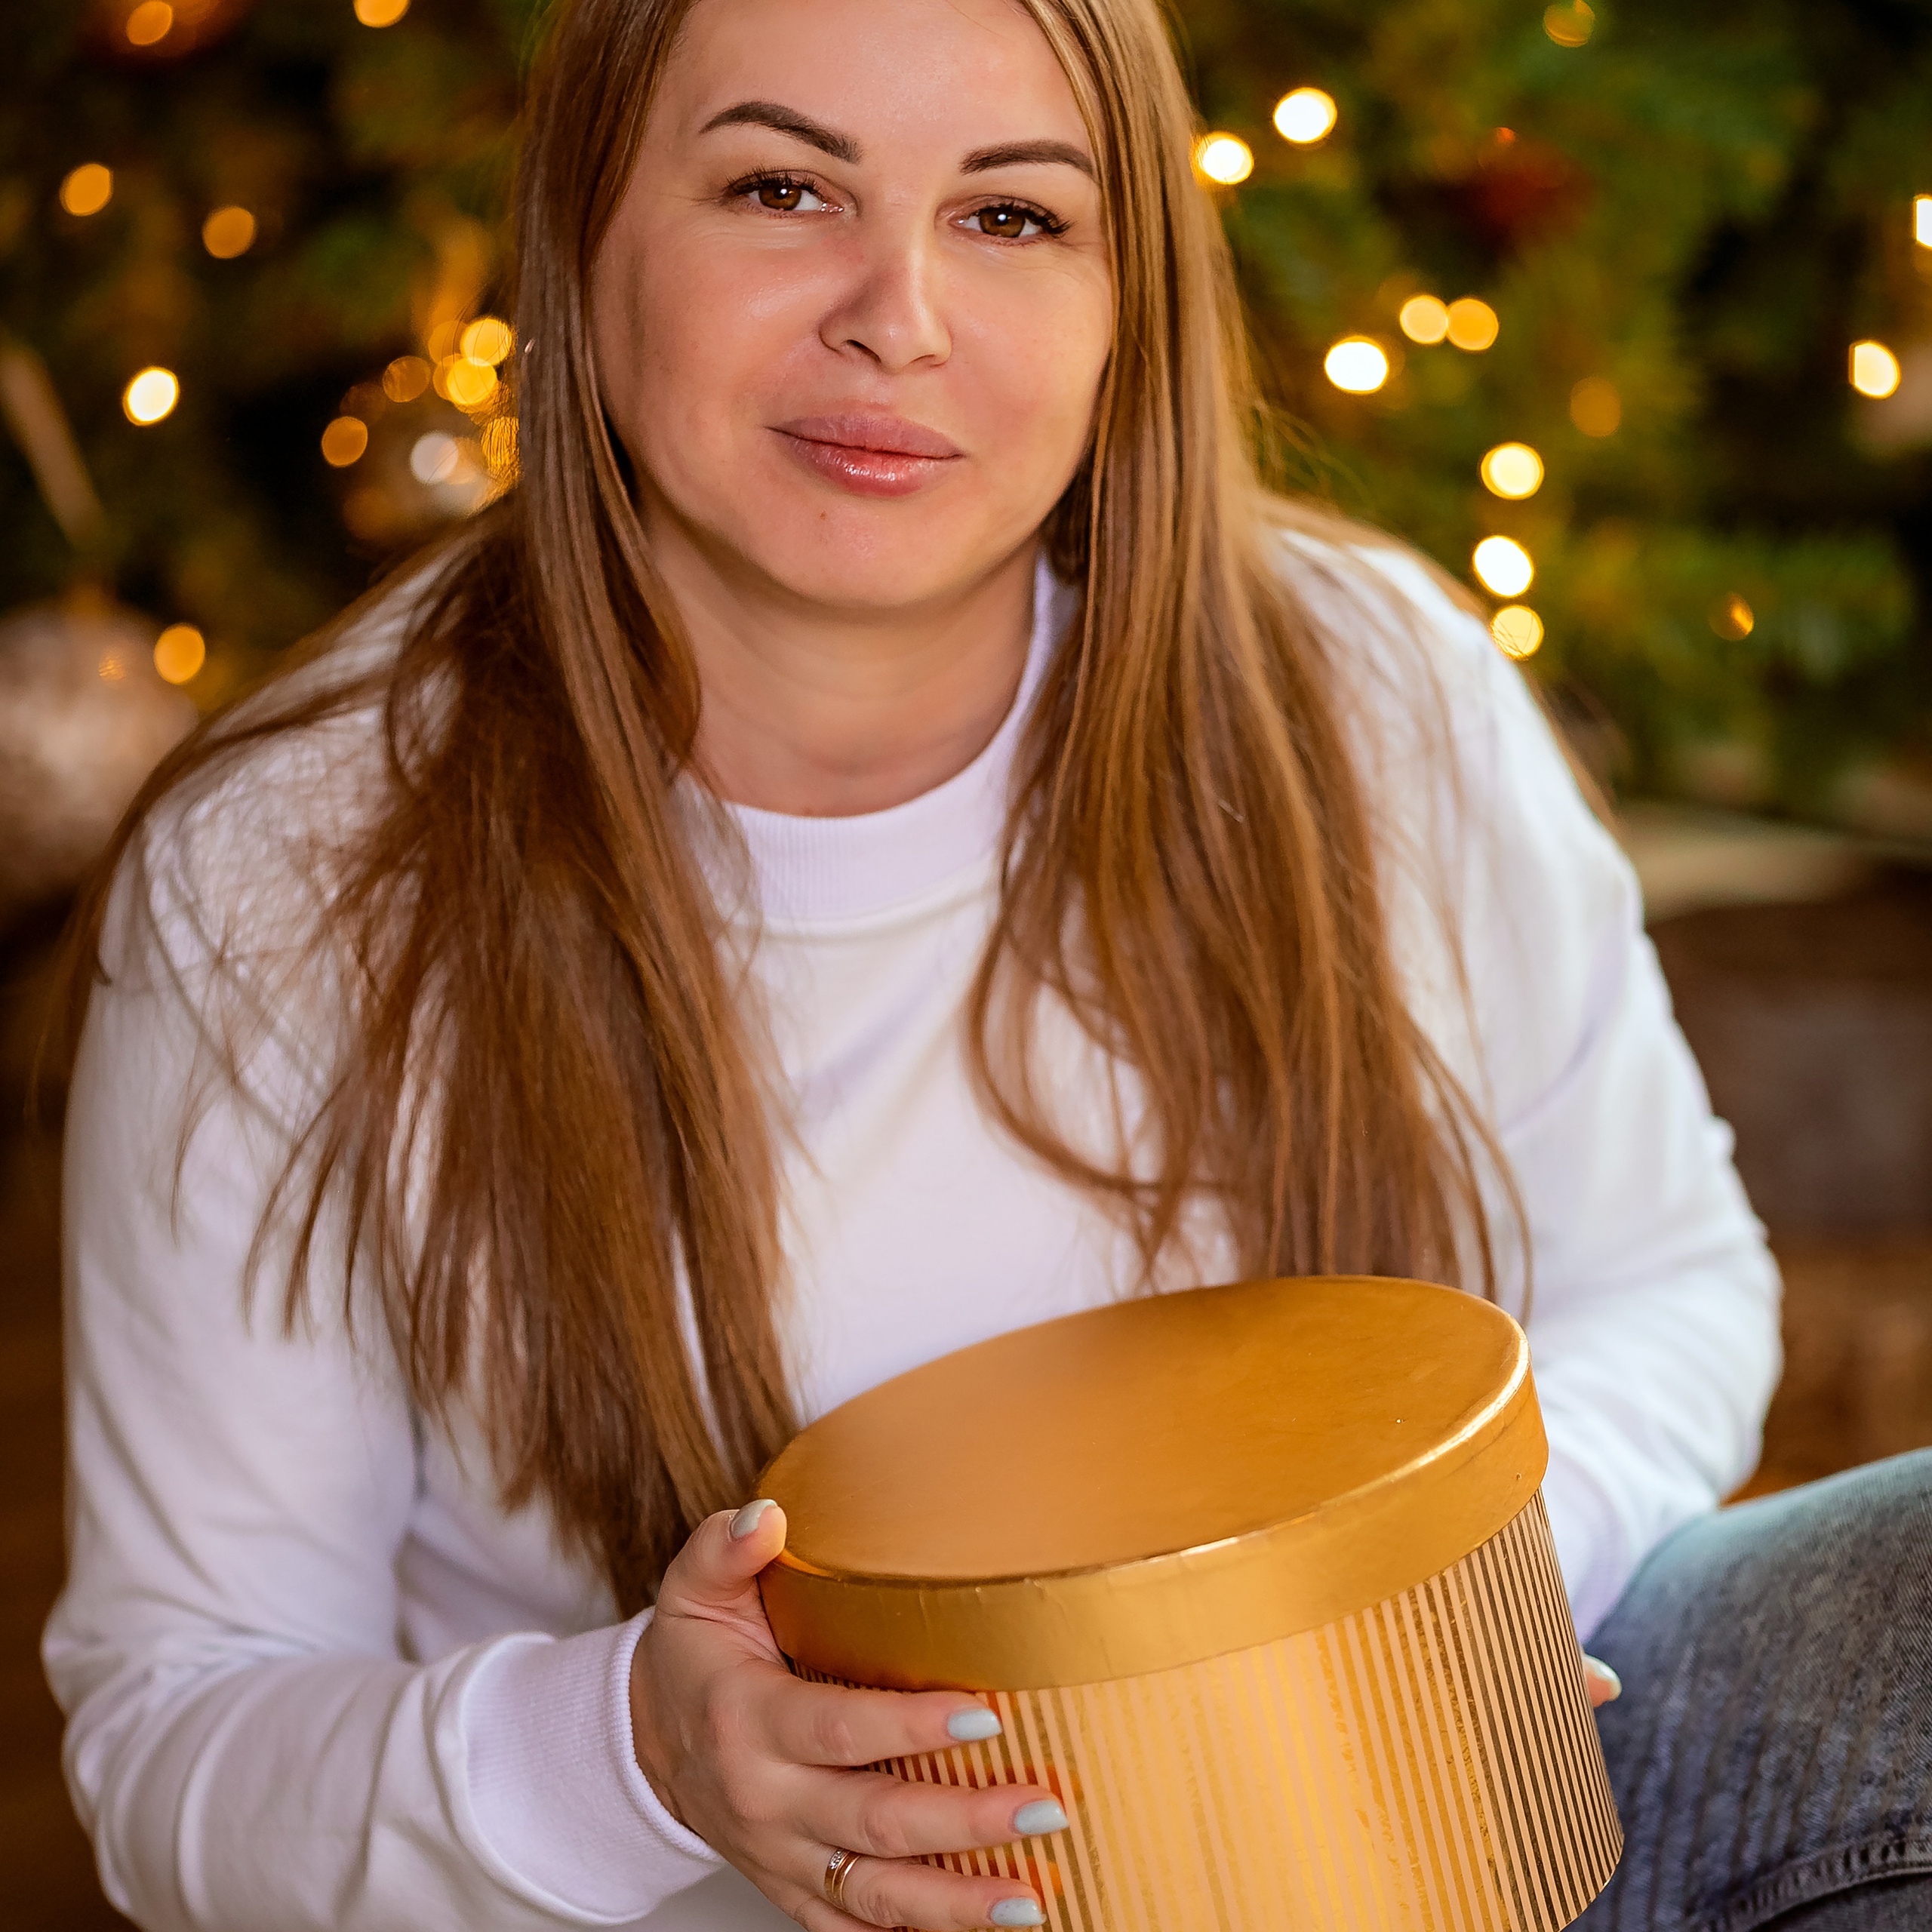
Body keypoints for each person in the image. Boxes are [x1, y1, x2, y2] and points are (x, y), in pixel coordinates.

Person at [44, 0, 1930, 1927]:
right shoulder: (289, 872)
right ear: (581, 236)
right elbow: (176, 1734)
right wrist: (639, 1750)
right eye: (780, 187)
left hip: (1423, 1841)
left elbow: (1660, 1280)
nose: (900, 316)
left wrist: (1458, 1589)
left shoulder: (1369, 685)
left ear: (1131, 303)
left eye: (1013, 217)